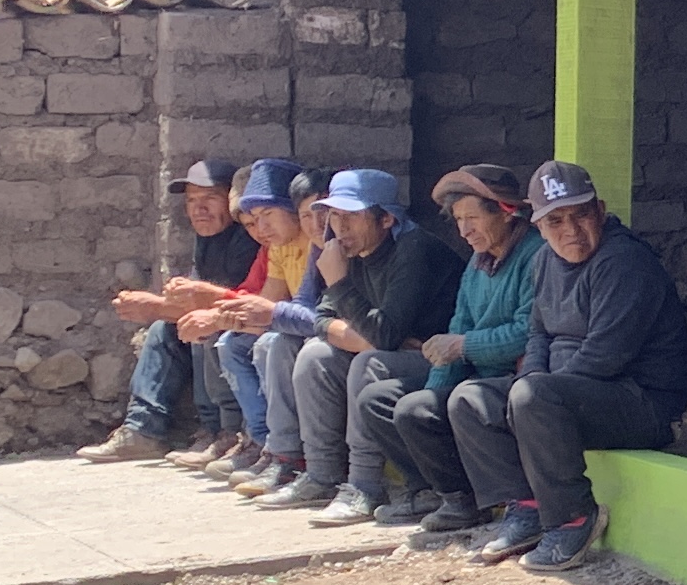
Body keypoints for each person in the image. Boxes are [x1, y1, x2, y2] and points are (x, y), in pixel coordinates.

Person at [450, 158, 687, 572]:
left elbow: (606, 356)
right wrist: (525, 392)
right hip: (569, 392)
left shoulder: (625, 262)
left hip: (641, 401)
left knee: (531, 396)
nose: (571, 231)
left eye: (580, 216)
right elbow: (538, 334)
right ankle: (527, 507)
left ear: (599, 210)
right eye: (555, 221)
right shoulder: (544, 260)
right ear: (538, 226)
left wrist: (532, 399)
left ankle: (574, 518)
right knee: (469, 399)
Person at [269, 170, 461, 525]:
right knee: (315, 355)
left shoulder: (413, 248)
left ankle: (364, 485)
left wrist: (339, 281)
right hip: (397, 351)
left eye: (352, 216)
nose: (340, 227)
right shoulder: (346, 251)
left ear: (386, 218)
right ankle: (322, 474)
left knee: (369, 362)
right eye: (335, 216)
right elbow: (322, 319)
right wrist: (360, 333)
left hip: (444, 360)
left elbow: (383, 336)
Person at [384, 165, 544, 538]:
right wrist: (436, 385)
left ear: (506, 212)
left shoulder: (535, 256)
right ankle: (451, 496)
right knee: (389, 402)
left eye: (472, 218)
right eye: (458, 220)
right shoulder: (476, 262)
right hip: (476, 372)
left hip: (514, 376)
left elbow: (528, 332)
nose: (464, 230)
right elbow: (460, 324)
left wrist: (463, 348)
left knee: (449, 402)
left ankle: (501, 504)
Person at [83, 160, 256, 463]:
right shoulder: (206, 238)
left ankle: (218, 431)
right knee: (163, 330)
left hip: (245, 328)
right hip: (224, 321)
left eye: (210, 199)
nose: (198, 209)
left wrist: (156, 307)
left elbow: (229, 305)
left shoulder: (245, 240)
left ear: (230, 201)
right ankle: (143, 430)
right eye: (191, 201)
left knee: (202, 327)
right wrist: (162, 307)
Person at [193, 161, 319, 497]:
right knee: (231, 343)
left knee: (270, 345)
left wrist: (215, 311)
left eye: (268, 214)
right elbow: (265, 301)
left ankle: (287, 454)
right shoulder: (277, 246)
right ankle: (262, 441)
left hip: (313, 329)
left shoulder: (315, 240)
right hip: (293, 322)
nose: (260, 228)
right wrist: (222, 320)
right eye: (253, 221)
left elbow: (297, 308)